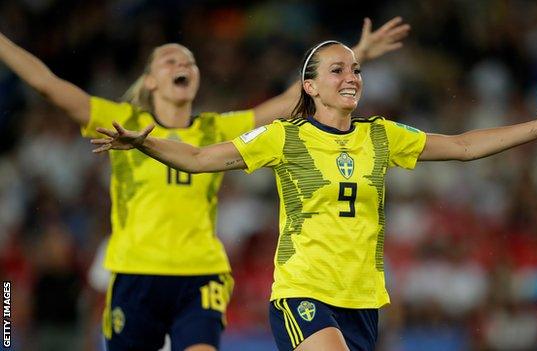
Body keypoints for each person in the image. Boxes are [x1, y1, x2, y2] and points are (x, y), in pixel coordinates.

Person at [90, 41, 537, 351]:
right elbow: (201, 158)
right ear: (309, 86)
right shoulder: (283, 137)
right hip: (302, 292)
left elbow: (462, 146)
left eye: (355, 69)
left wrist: (536, 128)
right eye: (337, 70)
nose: (352, 76)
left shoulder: (381, 135)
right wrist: (145, 142)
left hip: (362, 301)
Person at [0, 19, 410, 351]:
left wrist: (358, 57)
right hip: (135, 271)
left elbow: (292, 101)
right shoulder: (121, 120)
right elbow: (46, 84)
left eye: (191, 61)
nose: (184, 64)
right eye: (171, 59)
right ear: (150, 82)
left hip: (202, 273)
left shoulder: (216, 127)